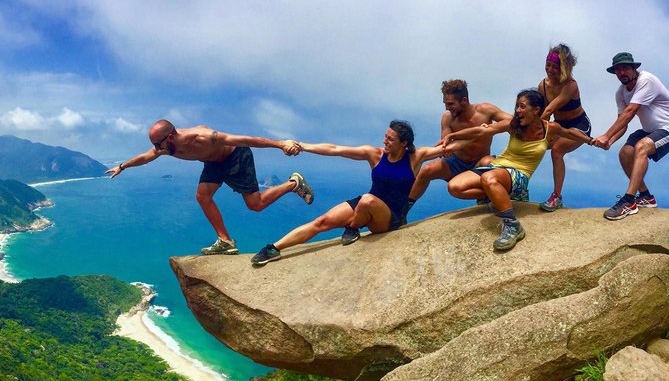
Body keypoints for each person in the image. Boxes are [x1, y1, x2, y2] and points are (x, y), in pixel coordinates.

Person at [251, 120, 444, 266]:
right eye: (385, 136)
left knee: (368, 201)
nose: (384, 141)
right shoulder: (375, 154)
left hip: (390, 217)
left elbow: (449, 148)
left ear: (404, 143)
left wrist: (464, 136)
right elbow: (336, 150)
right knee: (322, 221)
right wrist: (303, 146)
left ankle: (353, 227)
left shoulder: (416, 157)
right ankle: (273, 249)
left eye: (390, 138)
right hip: (365, 206)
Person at [106, 120, 314, 255]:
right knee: (202, 196)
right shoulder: (166, 148)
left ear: (170, 137)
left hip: (236, 157)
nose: (156, 149)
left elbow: (246, 139)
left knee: (256, 205)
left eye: (158, 144)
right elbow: (145, 157)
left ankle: (294, 183)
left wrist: (281, 144)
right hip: (214, 164)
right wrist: (122, 167)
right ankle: (225, 240)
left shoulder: (205, 137)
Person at [443, 89, 593, 251]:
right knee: (454, 187)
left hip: (519, 175)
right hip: (498, 167)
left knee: (488, 179)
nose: (517, 111)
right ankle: (498, 195)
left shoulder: (550, 128)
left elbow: (570, 133)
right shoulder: (514, 125)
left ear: (536, 110)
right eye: (517, 106)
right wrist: (453, 136)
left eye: (522, 107)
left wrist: (590, 140)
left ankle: (512, 225)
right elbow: (482, 130)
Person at [402, 79, 512, 219]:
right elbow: (446, 148)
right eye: (445, 104)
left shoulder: (485, 110)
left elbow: (511, 121)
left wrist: (489, 129)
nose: (447, 108)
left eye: (450, 104)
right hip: (457, 163)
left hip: (479, 163)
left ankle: (490, 195)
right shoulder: (448, 119)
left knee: (489, 162)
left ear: (464, 100)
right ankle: (403, 210)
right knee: (427, 170)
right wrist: (477, 133)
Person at [593, 52, 669, 220]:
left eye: (625, 68)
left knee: (641, 147)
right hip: (650, 130)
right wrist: (610, 141)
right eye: (618, 70)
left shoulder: (646, 80)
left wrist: (606, 135)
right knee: (625, 153)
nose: (621, 73)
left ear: (634, 68)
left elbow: (630, 111)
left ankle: (629, 201)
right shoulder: (621, 93)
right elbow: (623, 121)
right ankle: (645, 196)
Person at [537, 44, 591, 212]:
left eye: (555, 66)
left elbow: (549, 110)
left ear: (564, 67)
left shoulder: (570, 85)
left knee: (557, 150)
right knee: (534, 145)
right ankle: (519, 185)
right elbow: (542, 111)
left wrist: (532, 128)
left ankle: (557, 197)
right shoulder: (542, 85)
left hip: (579, 125)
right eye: (548, 65)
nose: (550, 70)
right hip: (559, 125)